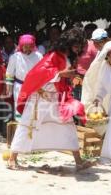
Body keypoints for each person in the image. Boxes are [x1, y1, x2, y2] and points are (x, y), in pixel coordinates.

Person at [7, 28, 92, 170]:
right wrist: (61, 74)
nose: (78, 48)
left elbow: (64, 76)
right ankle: (12, 159)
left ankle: (78, 161)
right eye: (76, 45)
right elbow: (39, 74)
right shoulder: (53, 55)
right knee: (28, 126)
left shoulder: (67, 57)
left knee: (68, 127)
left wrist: (70, 77)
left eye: (79, 46)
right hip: (40, 97)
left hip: (57, 98)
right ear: (69, 43)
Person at [5, 34, 43, 121]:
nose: (27, 49)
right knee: (19, 106)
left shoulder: (39, 56)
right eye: (25, 46)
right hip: (19, 86)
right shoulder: (15, 57)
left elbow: (42, 73)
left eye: (30, 46)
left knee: (33, 107)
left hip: (34, 87)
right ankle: (20, 128)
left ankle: (32, 131)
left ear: (33, 46)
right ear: (21, 46)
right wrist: (9, 88)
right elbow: (9, 73)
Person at [81, 28, 110, 110]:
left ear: (105, 40)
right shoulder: (99, 52)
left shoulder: (110, 51)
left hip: (108, 87)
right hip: (99, 87)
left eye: (98, 41)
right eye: (94, 41)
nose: (96, 44)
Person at [74, 27, 97, 100]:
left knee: (86, 100)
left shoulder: (92, 46)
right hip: (75, 78)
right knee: (76, 100)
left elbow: (98, 62)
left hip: (88, 79)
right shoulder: (74, 46)